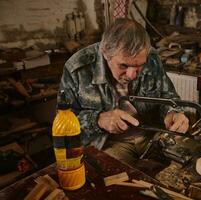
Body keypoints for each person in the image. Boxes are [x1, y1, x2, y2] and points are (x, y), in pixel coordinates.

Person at [57, 18, 189, 165]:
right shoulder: (77, 68)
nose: (132, 75)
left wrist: (173, 112)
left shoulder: (151, 57)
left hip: (152, 137)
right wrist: (98, 119)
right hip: (109, 144)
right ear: (106, 52)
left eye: (139, 65)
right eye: (123, 65)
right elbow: (63, 124)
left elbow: (168, 95)